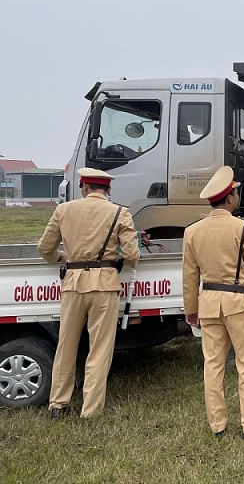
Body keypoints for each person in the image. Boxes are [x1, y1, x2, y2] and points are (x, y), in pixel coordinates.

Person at [182, 166, 244, 438]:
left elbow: (190, 277)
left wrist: (191, 310)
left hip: (209, 304)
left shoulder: (192, 232)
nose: (237, 196)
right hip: (239, 304)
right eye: (235, 192)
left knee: (212, 366)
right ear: (230, 198)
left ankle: (218, 425)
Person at [37, 167, 140, 419]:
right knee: (100, 348)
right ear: (108, 189)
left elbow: (45, 248)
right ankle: (91, 410)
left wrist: (60, 257)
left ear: (84, 187)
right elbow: (132, 256)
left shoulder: (64, 210)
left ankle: (58, 404)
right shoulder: (120, 212)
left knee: (66, 345)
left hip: (73, 283)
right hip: (105, 284)